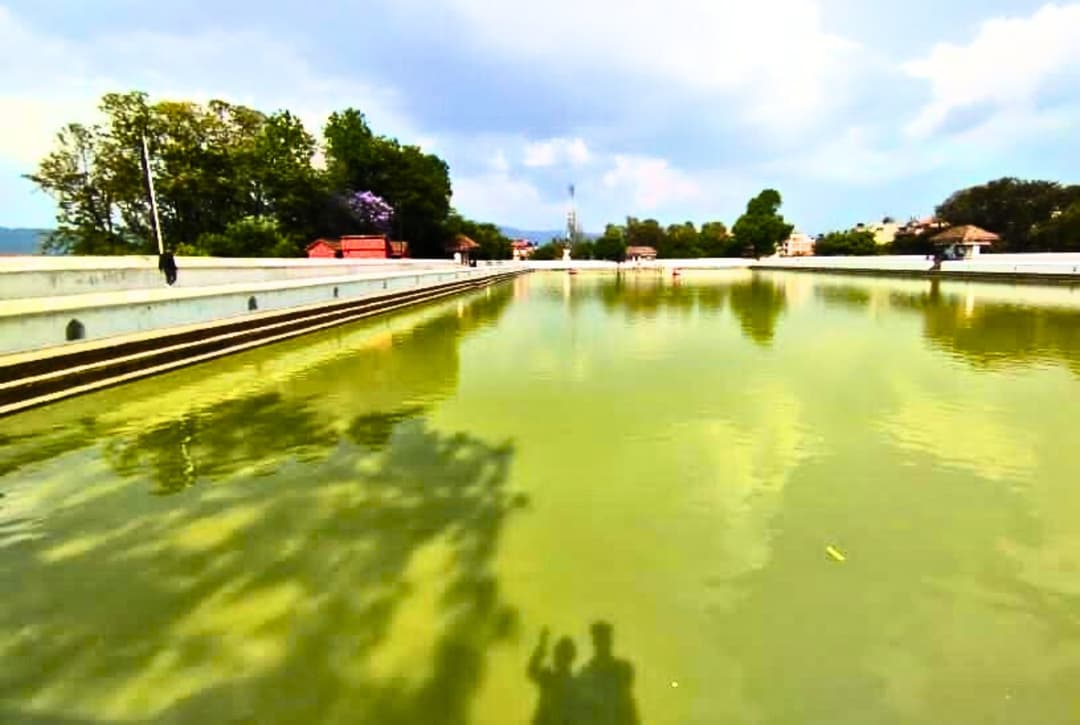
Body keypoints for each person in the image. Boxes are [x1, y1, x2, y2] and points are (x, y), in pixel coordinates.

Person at [575, 621, 639, 725]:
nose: (601, 643)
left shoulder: (622, 668)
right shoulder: (587, 672)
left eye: (604, 638)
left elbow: (627, 700)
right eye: (599, 639)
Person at [528, 628, 578, 725]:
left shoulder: (573, 685)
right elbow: (532, 671)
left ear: (569, 658)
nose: (555, 657)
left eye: (559, 653)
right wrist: (541, 646)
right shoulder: (548, 676)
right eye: (556, 653)